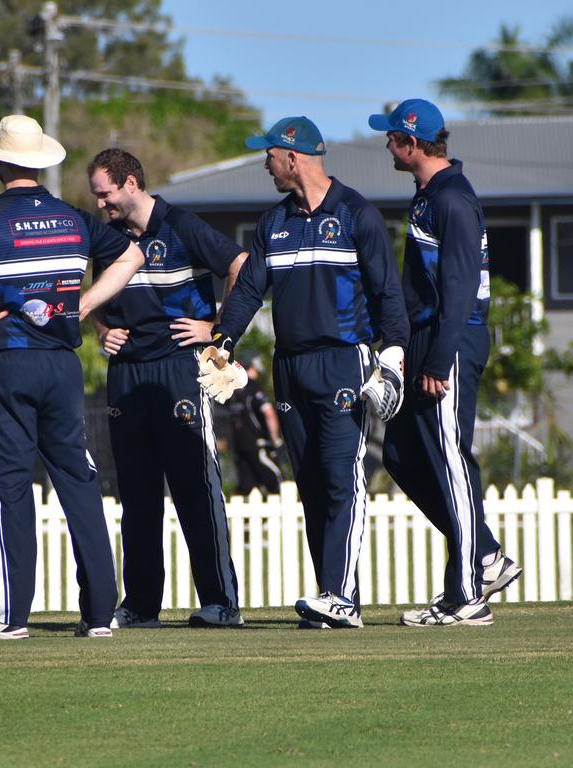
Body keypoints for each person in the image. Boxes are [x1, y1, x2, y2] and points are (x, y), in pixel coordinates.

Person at [0, 115, 145, 639]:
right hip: (62, 364)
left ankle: (8, 616)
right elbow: (132, 255)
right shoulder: (74, 218)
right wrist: (83, 305)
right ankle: (100, 614)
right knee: (79, 480)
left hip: (8, 361)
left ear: (0, 162)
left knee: (8, 486)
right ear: (42, 162)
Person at [199, 116, 409, 629]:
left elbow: (387, 292)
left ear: (292, 157)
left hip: (344, 361)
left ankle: (341, 596)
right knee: (312, 485)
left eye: (268, 154)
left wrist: (394, 354)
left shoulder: (357, 213)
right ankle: (333, 597)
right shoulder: (274, 222)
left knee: (342, 479)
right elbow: (249, 288)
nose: (264, 163)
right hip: (290, 366)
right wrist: (223, 340)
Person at [368, 99, 522, 626]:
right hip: (428, 344)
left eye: (392, 137)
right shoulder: (430, 194)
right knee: (403, 455)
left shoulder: (452, 198)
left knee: (451, 458)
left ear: (412, 143)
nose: (387, 144)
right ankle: (483, 553)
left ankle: (468, 595)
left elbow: (458, 290)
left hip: (449, 344)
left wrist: (437, 360)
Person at [85, 147, 247, 629]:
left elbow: (239, 264)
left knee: (196, 486)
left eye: (106, 194)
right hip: (127, 373)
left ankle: (221, 603)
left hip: (179, 368)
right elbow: (91, 294)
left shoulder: (182, 224)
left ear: (131, 183)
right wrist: (100, 329)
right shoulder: (109, 238)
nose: (101, 205)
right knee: (135, 493)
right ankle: (140, 606)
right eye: (96, 197)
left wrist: (217, 329)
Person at [227, 356, 283, 497]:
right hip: (258, 444)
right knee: (276, 484)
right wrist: (275, 439)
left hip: (240, 446)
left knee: (247, 488)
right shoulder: (254, 387)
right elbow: (269, 413)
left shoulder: (233, 391)